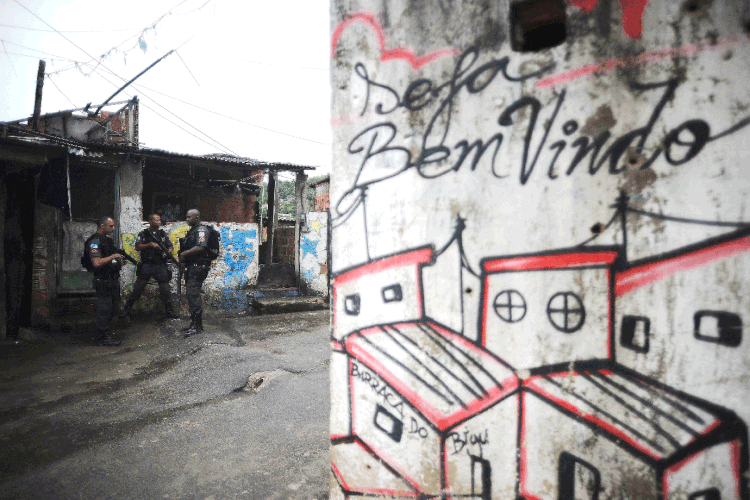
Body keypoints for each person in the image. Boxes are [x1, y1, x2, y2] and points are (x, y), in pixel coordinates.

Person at [120, 214, 178, 321]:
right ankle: (126, 310)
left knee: (165, 289)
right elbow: (137, 247)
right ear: (150, 221)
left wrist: (167, 252)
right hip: (147, 265)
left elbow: (170, 247)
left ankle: (169, 311)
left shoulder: (162, 234)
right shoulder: (144, 234)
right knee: (138, 288)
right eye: (156, 220)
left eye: (160, 220)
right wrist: (149, 245)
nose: (159, 222)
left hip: (160, 265)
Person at [88, 216, 124, 346]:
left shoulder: (107, 241)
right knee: (104, 309)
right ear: (102, 226)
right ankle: (101, 337)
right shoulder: (94, 242)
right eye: (111, 226)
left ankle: (106, 333)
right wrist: (113, 256)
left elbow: (109, 260)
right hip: (103, 281)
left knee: (113, 308)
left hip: (112, 280)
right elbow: (96, 263)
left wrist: (118, 262)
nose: (113, 229)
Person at [178, 209, 210, 337]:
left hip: (198, 268)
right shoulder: (192, 230)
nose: (187, 219)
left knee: (193, 295)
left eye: (189, 217)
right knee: (191, 296)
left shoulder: (201, 230)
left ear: (197, 217)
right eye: (186, 217)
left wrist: (184, 254)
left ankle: (197, 326)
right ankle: (193, 324)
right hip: (192, 267)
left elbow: (201, 246)